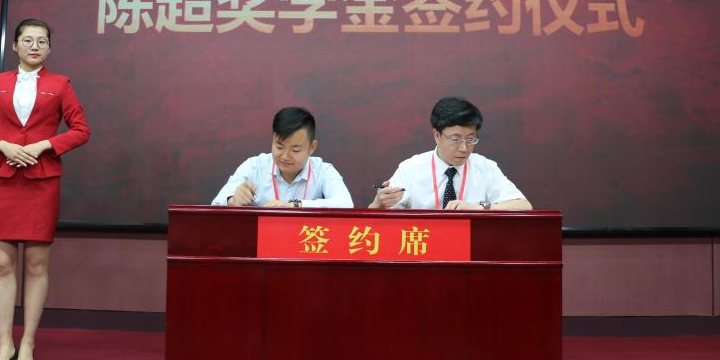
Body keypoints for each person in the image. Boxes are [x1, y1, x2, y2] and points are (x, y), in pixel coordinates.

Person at [0, 18, 90, 360]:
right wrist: (1, 145)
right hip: (3, 179)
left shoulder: (60, 85)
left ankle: (29, 341)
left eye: (42, 41)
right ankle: (4, 344)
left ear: (49, 48)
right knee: (2, 264)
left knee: (36, 264)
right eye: (28, 40)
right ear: (15, 45)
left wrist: (44, 145)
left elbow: (81, 130)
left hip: (41, 180)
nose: (35, 46)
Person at [369, 96, 531, 211]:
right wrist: (378, 204)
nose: (464, 148)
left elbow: (524, 206)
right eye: (455, 139)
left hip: (470, 245)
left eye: (470, 139)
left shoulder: (485, 168)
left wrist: (481, 208)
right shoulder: (411, 169)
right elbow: (375, 219)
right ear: (437, 135)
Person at [211, 107, 353, 208]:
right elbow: (216, 204)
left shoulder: (323, 171)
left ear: (312, 147)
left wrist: (295, 205)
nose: (285, 156)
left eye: (295, 150)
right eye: (279, 147)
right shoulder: (255, 166)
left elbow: (345, 204)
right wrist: (232, 201)